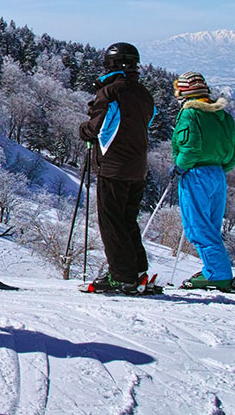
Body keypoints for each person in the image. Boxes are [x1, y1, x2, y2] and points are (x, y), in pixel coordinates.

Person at [77, 42, 155, 294]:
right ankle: (138, 271)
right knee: (127, 219)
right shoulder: (143, 93)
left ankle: (120, 276)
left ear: (113, 64)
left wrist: (84, 130)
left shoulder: (111, 92)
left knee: (111, 222)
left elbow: (97, 126)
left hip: (114, 166)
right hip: (137, 167)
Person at [170, 72, 235, 292]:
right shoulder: (223, 115)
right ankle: (213, 269)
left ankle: (218, 274)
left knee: (197, 226)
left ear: (185, 93)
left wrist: (180, 166)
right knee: (211, 225)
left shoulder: (190, 115)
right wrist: (219, 168)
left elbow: (190, 147)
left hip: (195, 175)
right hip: (218, 175)